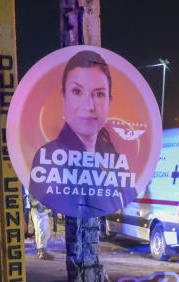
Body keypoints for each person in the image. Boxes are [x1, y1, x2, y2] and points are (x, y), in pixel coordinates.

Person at [27, 49, 137, 218]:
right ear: (63, 97)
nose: (89, 105)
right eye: (77, 92)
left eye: (99, 94)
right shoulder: (48, 157)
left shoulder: (115, 158)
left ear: (109, 101)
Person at [26, 189, 54, 260]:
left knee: (40, 230)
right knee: (43, 230)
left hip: (39, 208)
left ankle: (40, 250)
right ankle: (42, 252)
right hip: (38, 208)